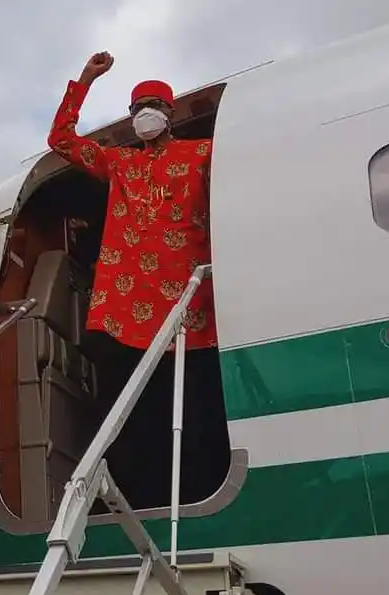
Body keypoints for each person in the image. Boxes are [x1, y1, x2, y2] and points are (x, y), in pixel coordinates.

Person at [47, 51, 230, 510]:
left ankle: (196, 499)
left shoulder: (203, 154)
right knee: (129, 414)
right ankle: (130, 503)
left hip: (191, 311)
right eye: (137, 107)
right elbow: (61, 140)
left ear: (169, 114)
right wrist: (85, 80)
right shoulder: (121, 165)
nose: (145, 113)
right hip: (125, 313)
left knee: (192, 411)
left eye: (154, 105)